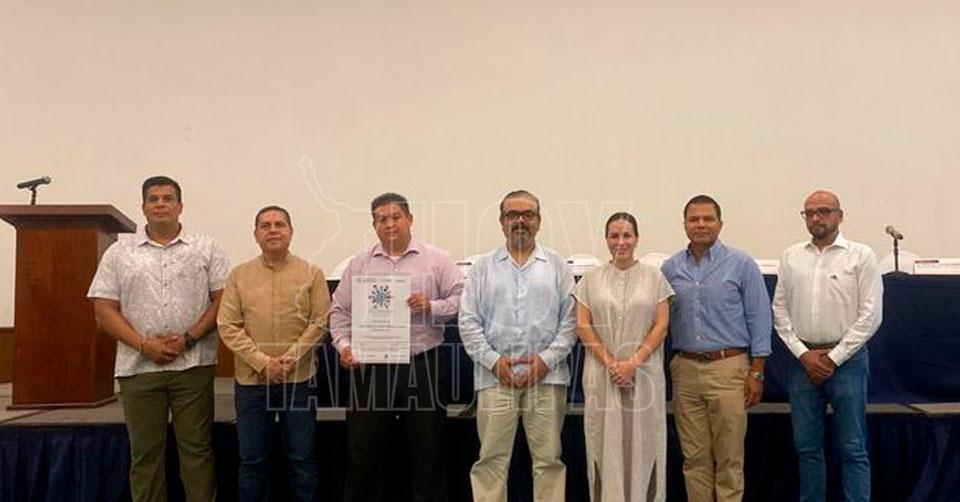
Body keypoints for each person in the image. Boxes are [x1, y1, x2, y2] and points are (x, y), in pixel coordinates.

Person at [88, 175, 229, 502]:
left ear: (180, 206)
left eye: (168, 199)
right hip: (138, 367)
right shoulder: (118, 253)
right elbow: (103, 309)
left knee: (197, 450)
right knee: (145, 454)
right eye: (154, 199)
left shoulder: (207, 248)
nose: (161, 204)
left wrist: (188, 339)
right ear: (143, 207)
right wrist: (144, 345)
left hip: (193, 365)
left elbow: (223, 301)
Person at [330, 192, 463, 502]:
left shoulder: (437, 259)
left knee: (429, 452)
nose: (389, 224)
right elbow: (339, 312)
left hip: (423, 366)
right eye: (382, 219)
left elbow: (462, 301)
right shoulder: (358, 264)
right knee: (363, 451)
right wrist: (344, 346)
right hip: (371, 368)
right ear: (374, 225)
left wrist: (431, 306)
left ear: (410, 219)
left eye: (395, 217)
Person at [459, 189, 577, 502]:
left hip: (547, 378)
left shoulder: (557, 266)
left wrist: (546, 361)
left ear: (539, 221)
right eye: (513, 215)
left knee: (548, 461)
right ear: (502, 222)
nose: (520, 220)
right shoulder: (482, 268)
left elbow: (570, 321)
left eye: (528, 214)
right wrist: (494, 361)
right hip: (495, 378)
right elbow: (468, 322)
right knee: (491, 461)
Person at [772, 190, 882, 502]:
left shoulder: (861, 255)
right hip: (803, 362)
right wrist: (803, 354)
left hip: (848, 362)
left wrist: (833, 358)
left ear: (840, 215)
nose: (816, 218)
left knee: (852, 448)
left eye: (823, 211)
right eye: (809, 212)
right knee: (807, 448)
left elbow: (871, 315)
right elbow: (780, 310)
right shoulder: (791, 256)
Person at [661, 194, 772, 502]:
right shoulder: (670, 268)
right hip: (685, 370)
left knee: (729, 459)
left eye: (708, 219)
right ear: (684, 225)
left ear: (720, 224)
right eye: (694, 219)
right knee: (694, 459)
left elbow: (760, 318)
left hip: (729, 368)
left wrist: (757, 372)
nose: (701, 224)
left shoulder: (742, 264)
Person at [217, 205, 331, 501]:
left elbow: (320, 322)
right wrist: (263, 363)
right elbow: (227, 325)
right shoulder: (239, 275)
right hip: (252, 384)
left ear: (291, 232)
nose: (273, 230)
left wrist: (288, 360)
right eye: (265, 226)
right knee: (253, 461)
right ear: (255, 235)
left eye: (279, 224)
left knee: (302, 459)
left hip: (299, 382)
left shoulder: (312, 273)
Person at [573, 212, 673, 501]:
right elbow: (583, 325)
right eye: (614, 236)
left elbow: (661, 325)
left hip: (644, 376)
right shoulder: (590, 280)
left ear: (637, 239)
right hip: (602, 376)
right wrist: (612, 364)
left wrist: (632, 363)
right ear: (606, 239)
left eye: (627, 235)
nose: (621, 242)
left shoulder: (655, 278)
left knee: (644, 442)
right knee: (604, 442)